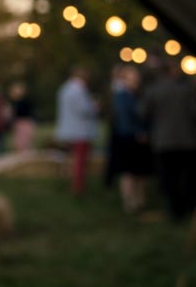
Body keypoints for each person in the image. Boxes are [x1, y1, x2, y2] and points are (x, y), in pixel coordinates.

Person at [140, 61, 196, 221]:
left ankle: (174, 211)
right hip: (187, 141)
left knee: (169, 179)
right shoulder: (185, 90)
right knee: (187, 177)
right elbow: (195, 113)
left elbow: (143, 113)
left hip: (163, 141)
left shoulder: (153, 91)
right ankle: (189, 207)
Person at [108, 65, 152, 214]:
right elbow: (124, 118)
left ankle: (140, 201)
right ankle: (129, 202)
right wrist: (138, 132)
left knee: (140, 172)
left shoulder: (136, 94)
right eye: (133, 77)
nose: (136, 79)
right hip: (128, 138)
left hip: (138, 138)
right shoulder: (122, 95)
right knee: (128, 172)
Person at [55, 66, 100, 196]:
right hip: (80, 131)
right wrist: (95, 107)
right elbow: (83, 109)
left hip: (69, 130)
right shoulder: (78, 90)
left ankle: (72, 184)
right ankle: (78, 187)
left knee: (72, 160)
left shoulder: (65, 88)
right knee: (80, 161)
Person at [9, 81, 36, 152]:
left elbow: (18, 114)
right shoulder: (17, 103)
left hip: (24, 124)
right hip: (22, 124)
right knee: (21, 145)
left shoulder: (23, 102)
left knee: (23, 145)